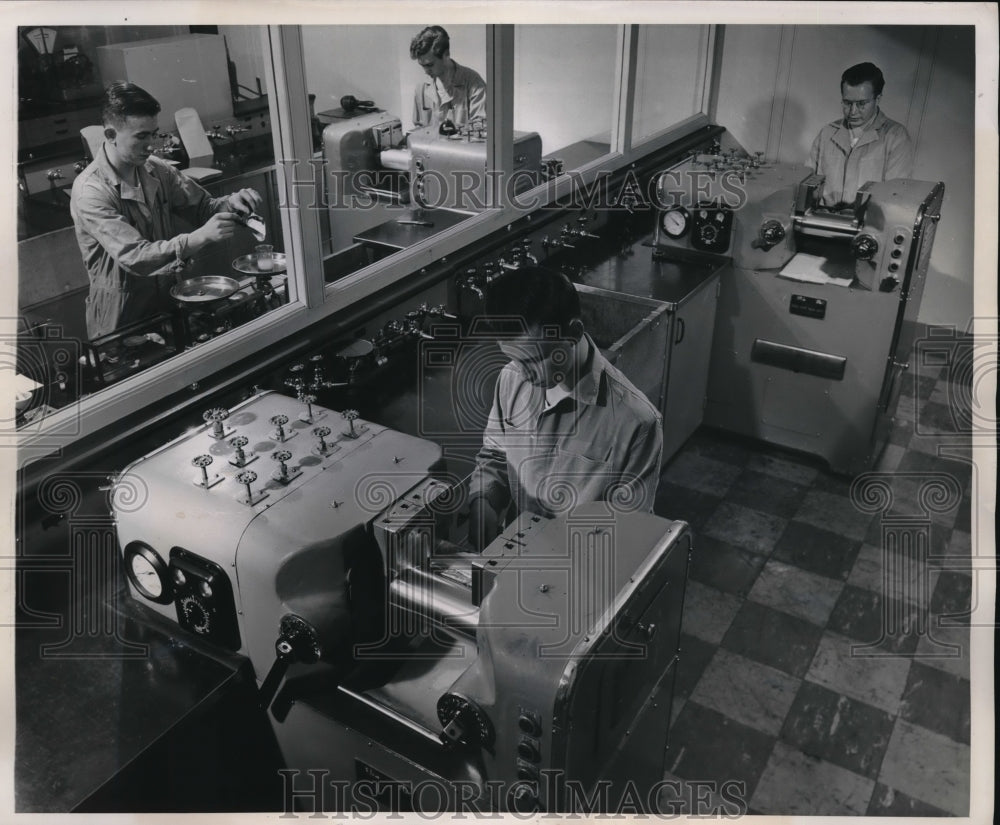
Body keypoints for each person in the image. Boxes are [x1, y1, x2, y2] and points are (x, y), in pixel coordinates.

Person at [467, 266, 664, 551]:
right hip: (516, 556)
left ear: (573, 333)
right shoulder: (511, 379)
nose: (522, 375)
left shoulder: (636, 423)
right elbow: (496, 457)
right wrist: (483, 504)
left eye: (534, 360)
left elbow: (628, 530)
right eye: (514, 359)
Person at [70, 81, 262, 340]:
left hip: (168, 305)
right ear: (110, 135)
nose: (151, 146)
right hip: (122, 320)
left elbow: (204, 207)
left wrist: (233, 203)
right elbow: (136, 257)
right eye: (141, 136)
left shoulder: (156, 169)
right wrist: (199, 237)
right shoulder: (90, 191)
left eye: (154, 134)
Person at [809, 62, 915, 208]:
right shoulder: (827, 133)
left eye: (861, 103)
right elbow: (808, 184)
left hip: (868, 228)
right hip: (823, 224)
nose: (852, 112)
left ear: (877, 99)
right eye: (847, 103)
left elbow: (894, 199)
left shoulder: (896, 137)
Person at [410, 26, 486, 131]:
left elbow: (481, 133)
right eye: (422, 65)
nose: (426, 71)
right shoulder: (421, 87)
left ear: (446, 55)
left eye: (430, 65)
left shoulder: (475, 84)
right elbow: (418, 129)